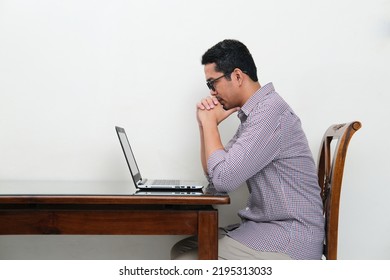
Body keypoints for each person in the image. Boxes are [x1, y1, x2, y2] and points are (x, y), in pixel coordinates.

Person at [171, 39, 325, 260]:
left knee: (186, 261)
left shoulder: (270, 114)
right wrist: (203, 126)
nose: (212, 92)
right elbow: (215, 177)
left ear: (237, 76)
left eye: (212, 83)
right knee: (182, 249)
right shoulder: (256, 115)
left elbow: (224, 180)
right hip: (270, 228)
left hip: (289, 239)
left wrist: (210, 124)